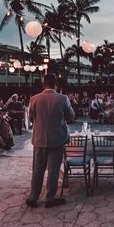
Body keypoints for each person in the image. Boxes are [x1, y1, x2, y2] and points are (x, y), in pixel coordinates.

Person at [26, 74, 75, 208]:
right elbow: (71, 116)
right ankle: (50, 198)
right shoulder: (62, 98)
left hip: (39, 138)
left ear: (43, 84)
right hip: (57, 138)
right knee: (53, 170)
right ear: (56, 85)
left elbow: (31, 118)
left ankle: (33, 197)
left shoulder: (34, 99)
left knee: (38, 169)